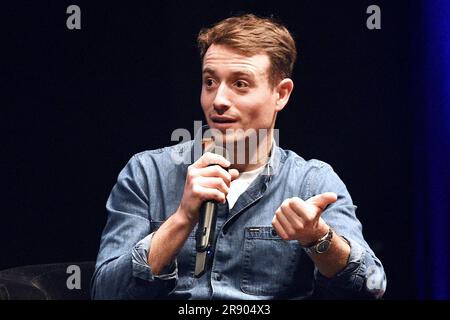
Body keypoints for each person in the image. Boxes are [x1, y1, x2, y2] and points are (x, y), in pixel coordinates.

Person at [91, 13, 386, 299]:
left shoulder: (311, 182)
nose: (218, 100)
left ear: (280, 94)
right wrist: (182, 219)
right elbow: (105, 293)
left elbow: (371, 288)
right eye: (210, 82)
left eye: (240, 84)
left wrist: (318, 238)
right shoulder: (147, 173)